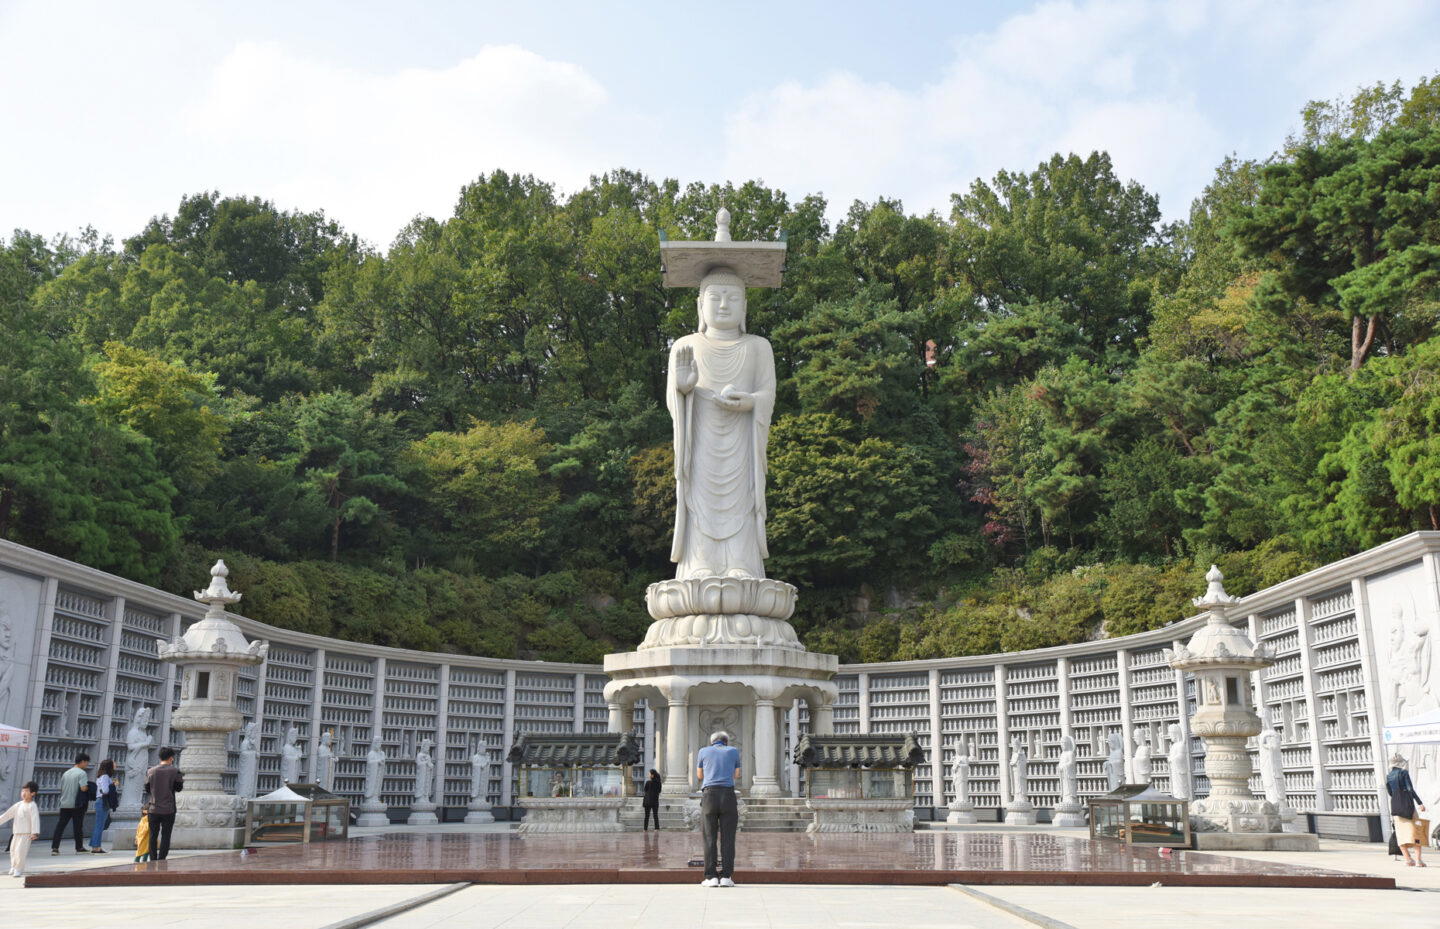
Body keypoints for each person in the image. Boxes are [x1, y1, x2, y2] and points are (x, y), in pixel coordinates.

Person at [696, 730, 741, 888]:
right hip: (728, 796)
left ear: (712, 741)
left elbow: (700, 775)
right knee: (728, 838)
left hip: (709, 795)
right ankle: (726, 877)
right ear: (726, 741)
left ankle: (711, 877)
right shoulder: (734, 751)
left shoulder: (703, 751)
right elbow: (736, 774)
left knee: (709, 837)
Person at [1387, 752, 1428, 867]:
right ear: (1400, 763)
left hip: (1396, 807)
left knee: (1401, 834)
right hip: (1408, 807)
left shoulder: (1389, 776)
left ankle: (1408, 859)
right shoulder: (1404, 773)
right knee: (1417, 832)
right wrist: (1420, 803)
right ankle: (1419, 860)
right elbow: (1410, 789)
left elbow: (1390, 792)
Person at [146, 746, 184, 860]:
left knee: (153, 835)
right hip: (169, 808)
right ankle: (162, 858)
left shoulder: (150, 771)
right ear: (171, 758)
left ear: (159, 757)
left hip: (153, 808)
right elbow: (179, 788)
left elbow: (147, 789)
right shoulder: (175, 771)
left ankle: (152, 858)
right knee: (166, 835)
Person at [49, 752, 90, 855]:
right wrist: (90, 788)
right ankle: (79, 847)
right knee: (77, 827)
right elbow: (83, 788)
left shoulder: (66, 773)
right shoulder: (82, 773)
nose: (87, 765)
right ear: (82, 761)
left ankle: (55, 848)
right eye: (86, 763)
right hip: (76, 804)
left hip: (64, 803)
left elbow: (62, 788)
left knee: (60, 826)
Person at [0, 780, 40, 877]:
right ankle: (13, 866)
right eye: (22, 791)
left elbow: (35, 819)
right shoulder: (18, 805)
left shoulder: (32, 806)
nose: (23, 793)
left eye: (26, 791)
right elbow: (7, 815)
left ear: (33, 793)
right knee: (13, 850)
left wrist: (35, 832)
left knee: (20, 852)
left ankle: (19, 868)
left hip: (26, 834)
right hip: (16, 833)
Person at [89, 758, 117, 853]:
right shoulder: (105, 777)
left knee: (99, 825)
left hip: (100, 801)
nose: (115, 765)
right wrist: (113, 785)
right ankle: (96, 847)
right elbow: (105, 791)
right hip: (102, 801)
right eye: (114, 764)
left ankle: (95, 846)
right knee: (100, 825)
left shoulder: (101, 776)